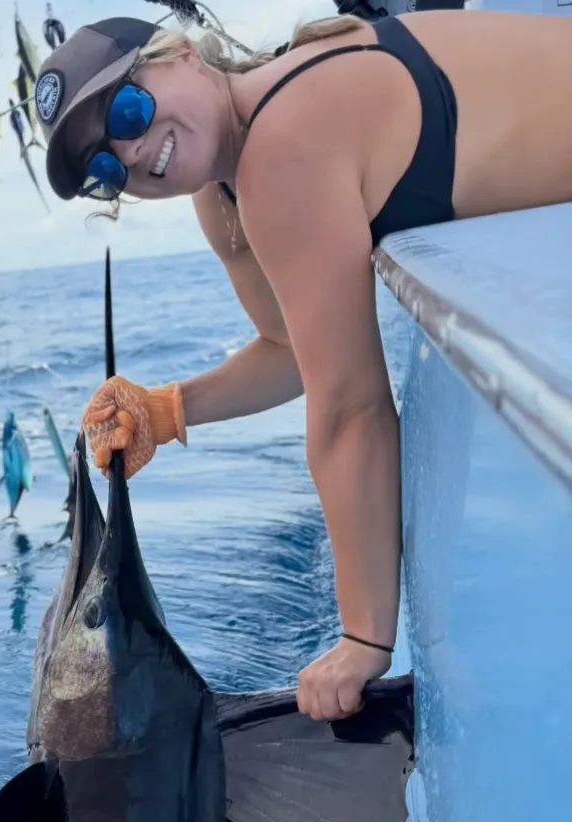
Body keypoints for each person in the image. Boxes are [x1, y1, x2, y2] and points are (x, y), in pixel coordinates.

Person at [31, 5, 572, 721]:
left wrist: (363, 637)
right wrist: (167, 410)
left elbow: (350, 404)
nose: (128, 156)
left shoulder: (282, 147)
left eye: (126, 111)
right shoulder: (223, 191)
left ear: (185, 55)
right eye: (105, 167)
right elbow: (292, 351)